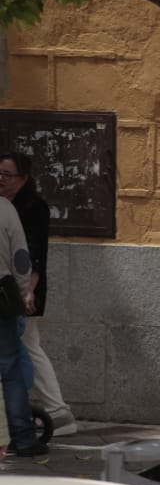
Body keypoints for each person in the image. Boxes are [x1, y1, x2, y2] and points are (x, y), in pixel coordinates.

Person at [0, 152, 77, 436]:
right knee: (26, 345)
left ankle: (58, 412)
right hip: (8, 287)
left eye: (6, 175)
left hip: (20, 289)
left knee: (28, 345)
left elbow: (33, 254)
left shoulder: (33, 207)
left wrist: (28, 291)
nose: (1, 180)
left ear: (23, 178)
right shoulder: (6, 204)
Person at [0, 194, 39, 458]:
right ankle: (23, 436)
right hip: (2, 295)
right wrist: (23, 292)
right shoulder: (5, 208)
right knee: (10, 368)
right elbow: (21, 258)